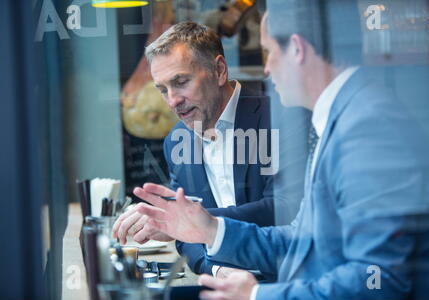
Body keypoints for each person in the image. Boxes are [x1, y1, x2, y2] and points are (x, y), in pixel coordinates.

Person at [114, 0, 429, 299]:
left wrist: (259, 296)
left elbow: (382, 280)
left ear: (298, 50)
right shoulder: (343, 117)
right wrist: (210, 230)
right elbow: (303, 239)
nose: (268, 68)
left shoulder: (368, 128)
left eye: (269, 52)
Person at [113, 21, 305, 278]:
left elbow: (285, 209)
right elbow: (186, 241)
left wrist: (182, 220)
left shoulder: (282, 118)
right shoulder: (177, 140)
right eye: (163, 90)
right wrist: (216, 269)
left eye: (181, 82)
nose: (172, 101)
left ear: (219, 70)